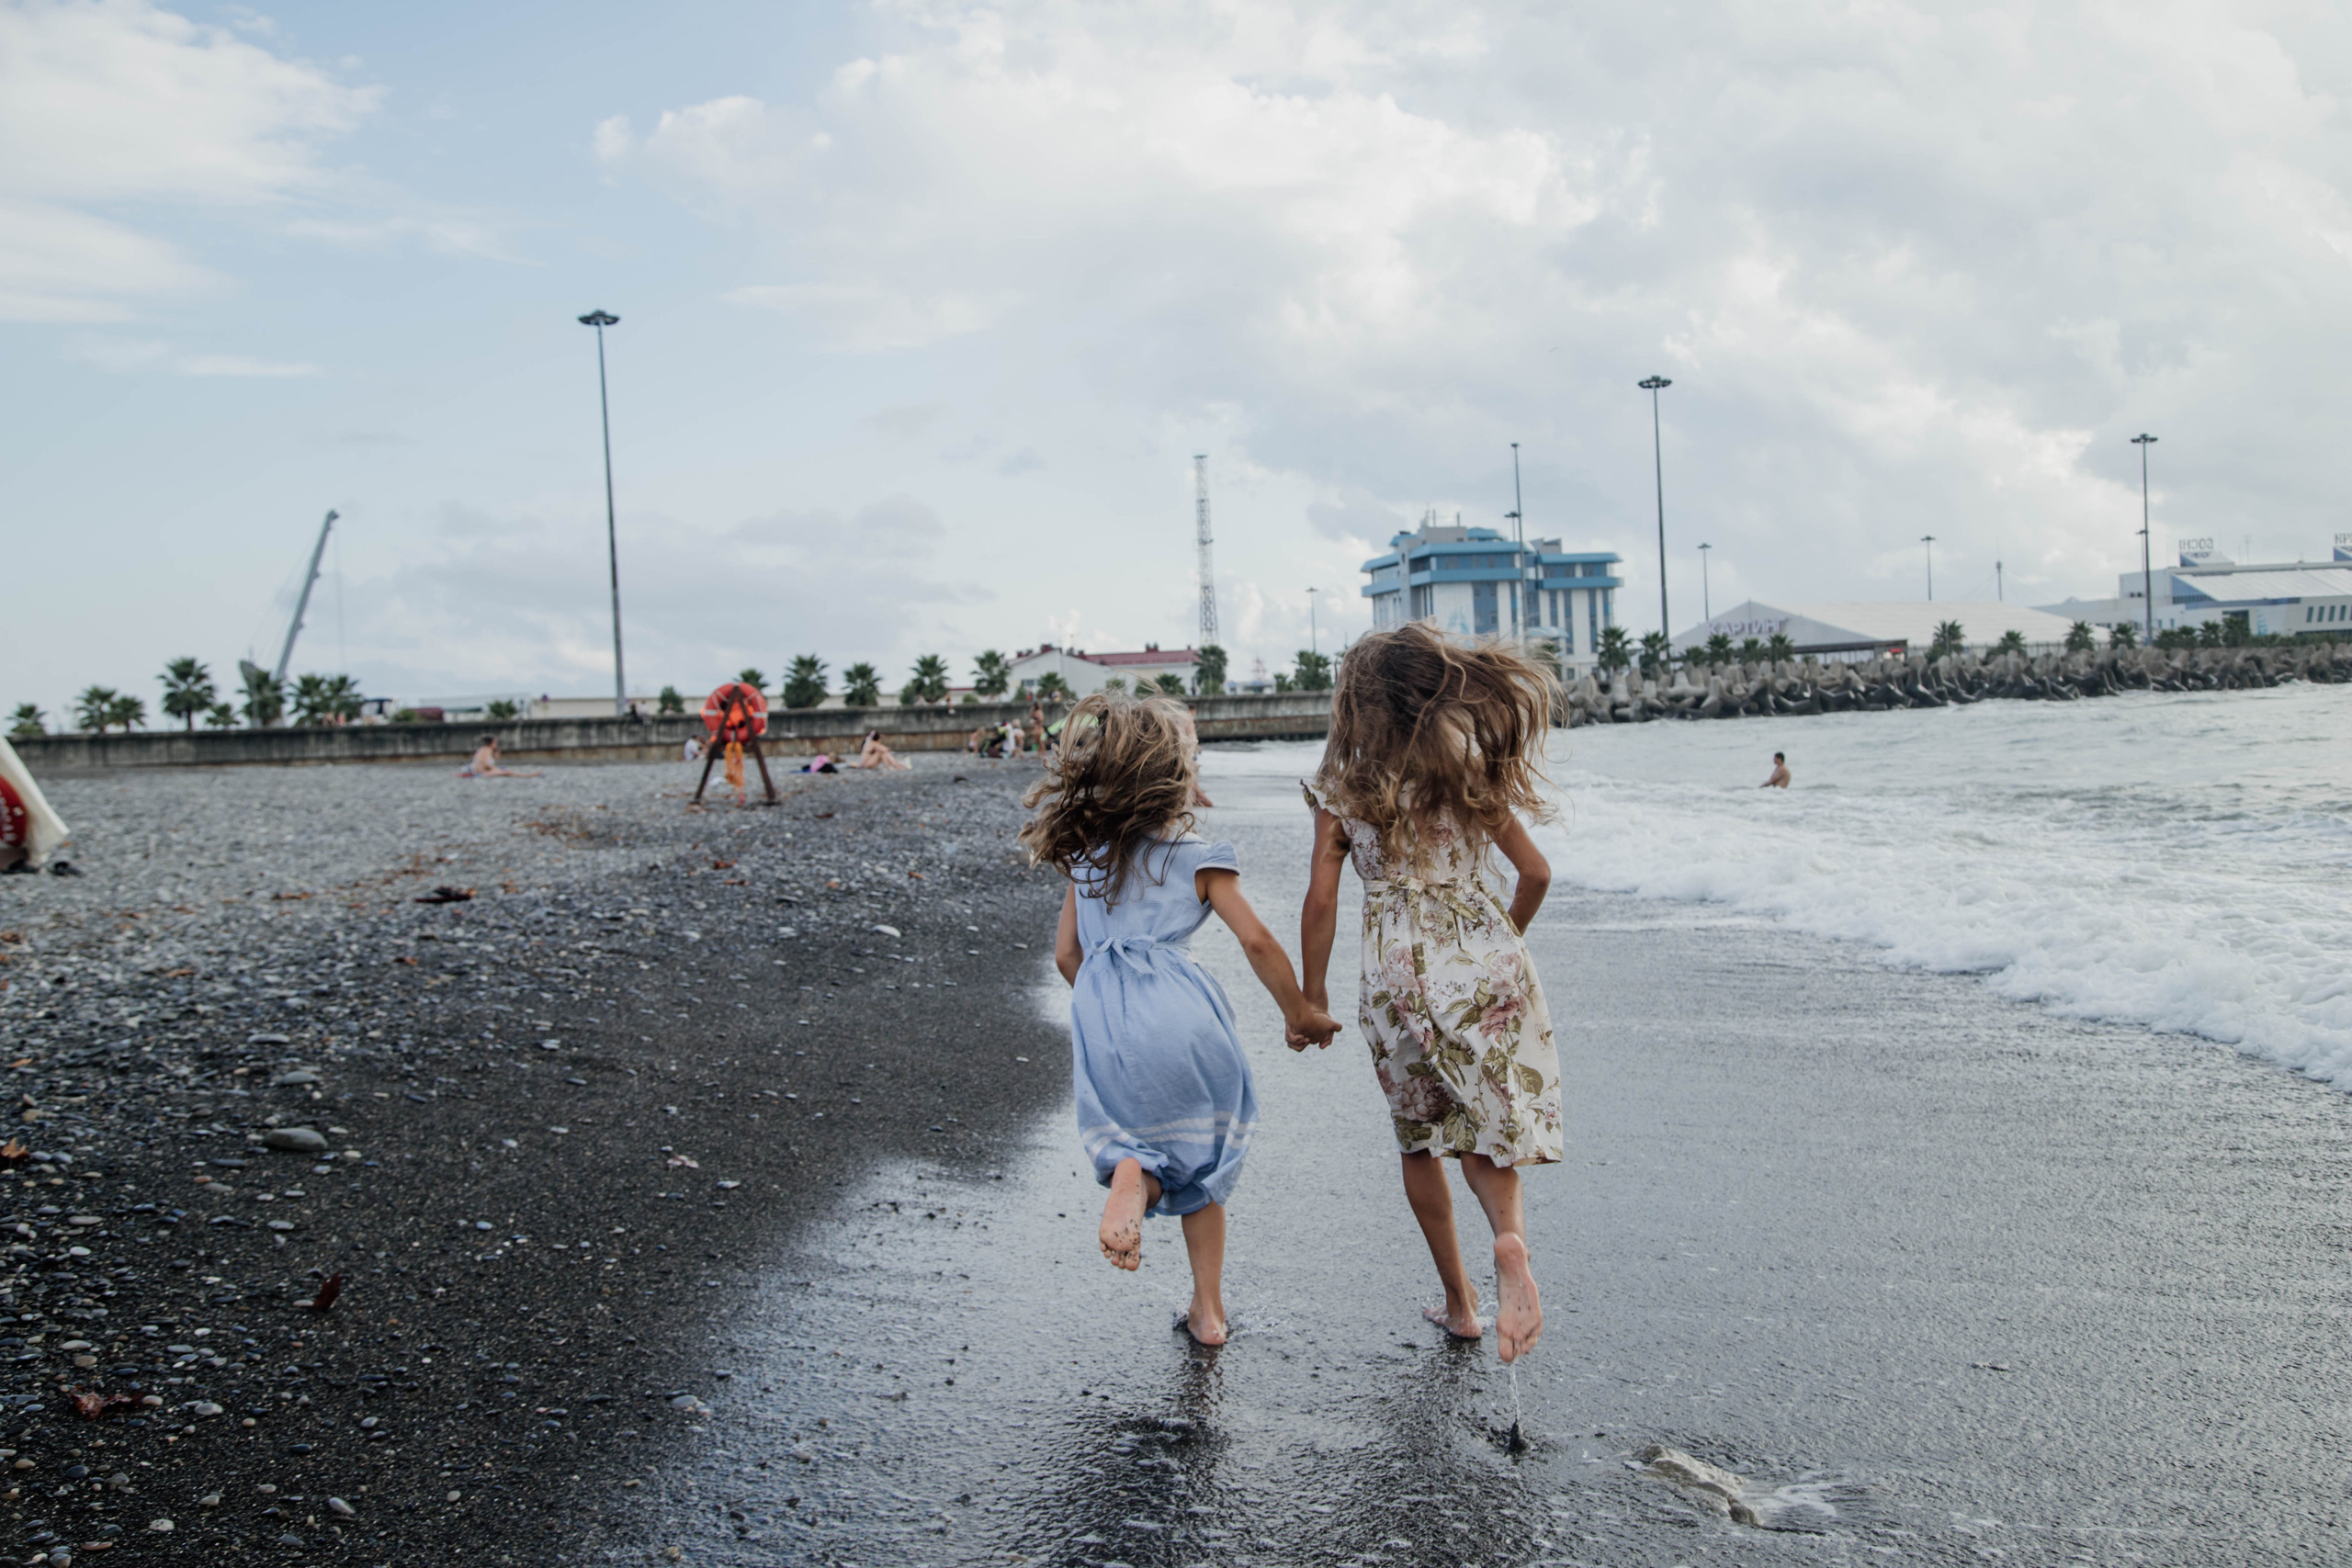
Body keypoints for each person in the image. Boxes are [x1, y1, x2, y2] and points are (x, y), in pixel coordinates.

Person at [1023, 694, 1340, 1346]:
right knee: (1202, 1166)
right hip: (1184, 1015)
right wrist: (1301, 1012)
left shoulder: (1086, 853)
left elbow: (1066, 954)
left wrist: (1105, 1008)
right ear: (1178, 774)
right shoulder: (1196, 855)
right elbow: (1256, 940)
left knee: (1131, 1135)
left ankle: (1130, 1175)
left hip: (1104, 1016)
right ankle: (1209, 1311)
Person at [1298, 621, 1563, 1363]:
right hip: (1481, 954)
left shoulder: (1342, 787)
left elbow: (1321, 902)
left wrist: (1310, 1001)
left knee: (1421, 1138)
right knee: (1489, 1121)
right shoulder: (1469, 772)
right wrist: (1502, 943)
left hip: (1392, 971)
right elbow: (1536, 873)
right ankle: (1509, 1241)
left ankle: (1460, 1303)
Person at [458, 736, 539, 779]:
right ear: (491, 743)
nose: (496, 744)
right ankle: (528, 775)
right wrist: (495, 769)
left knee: (503, 770)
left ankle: (527, 775)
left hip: (477, 771)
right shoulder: (487, 750)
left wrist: (496, 755)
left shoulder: (482, 749)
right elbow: (486, 764)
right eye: (495, 742)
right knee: (508, 771)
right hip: (481, 773)